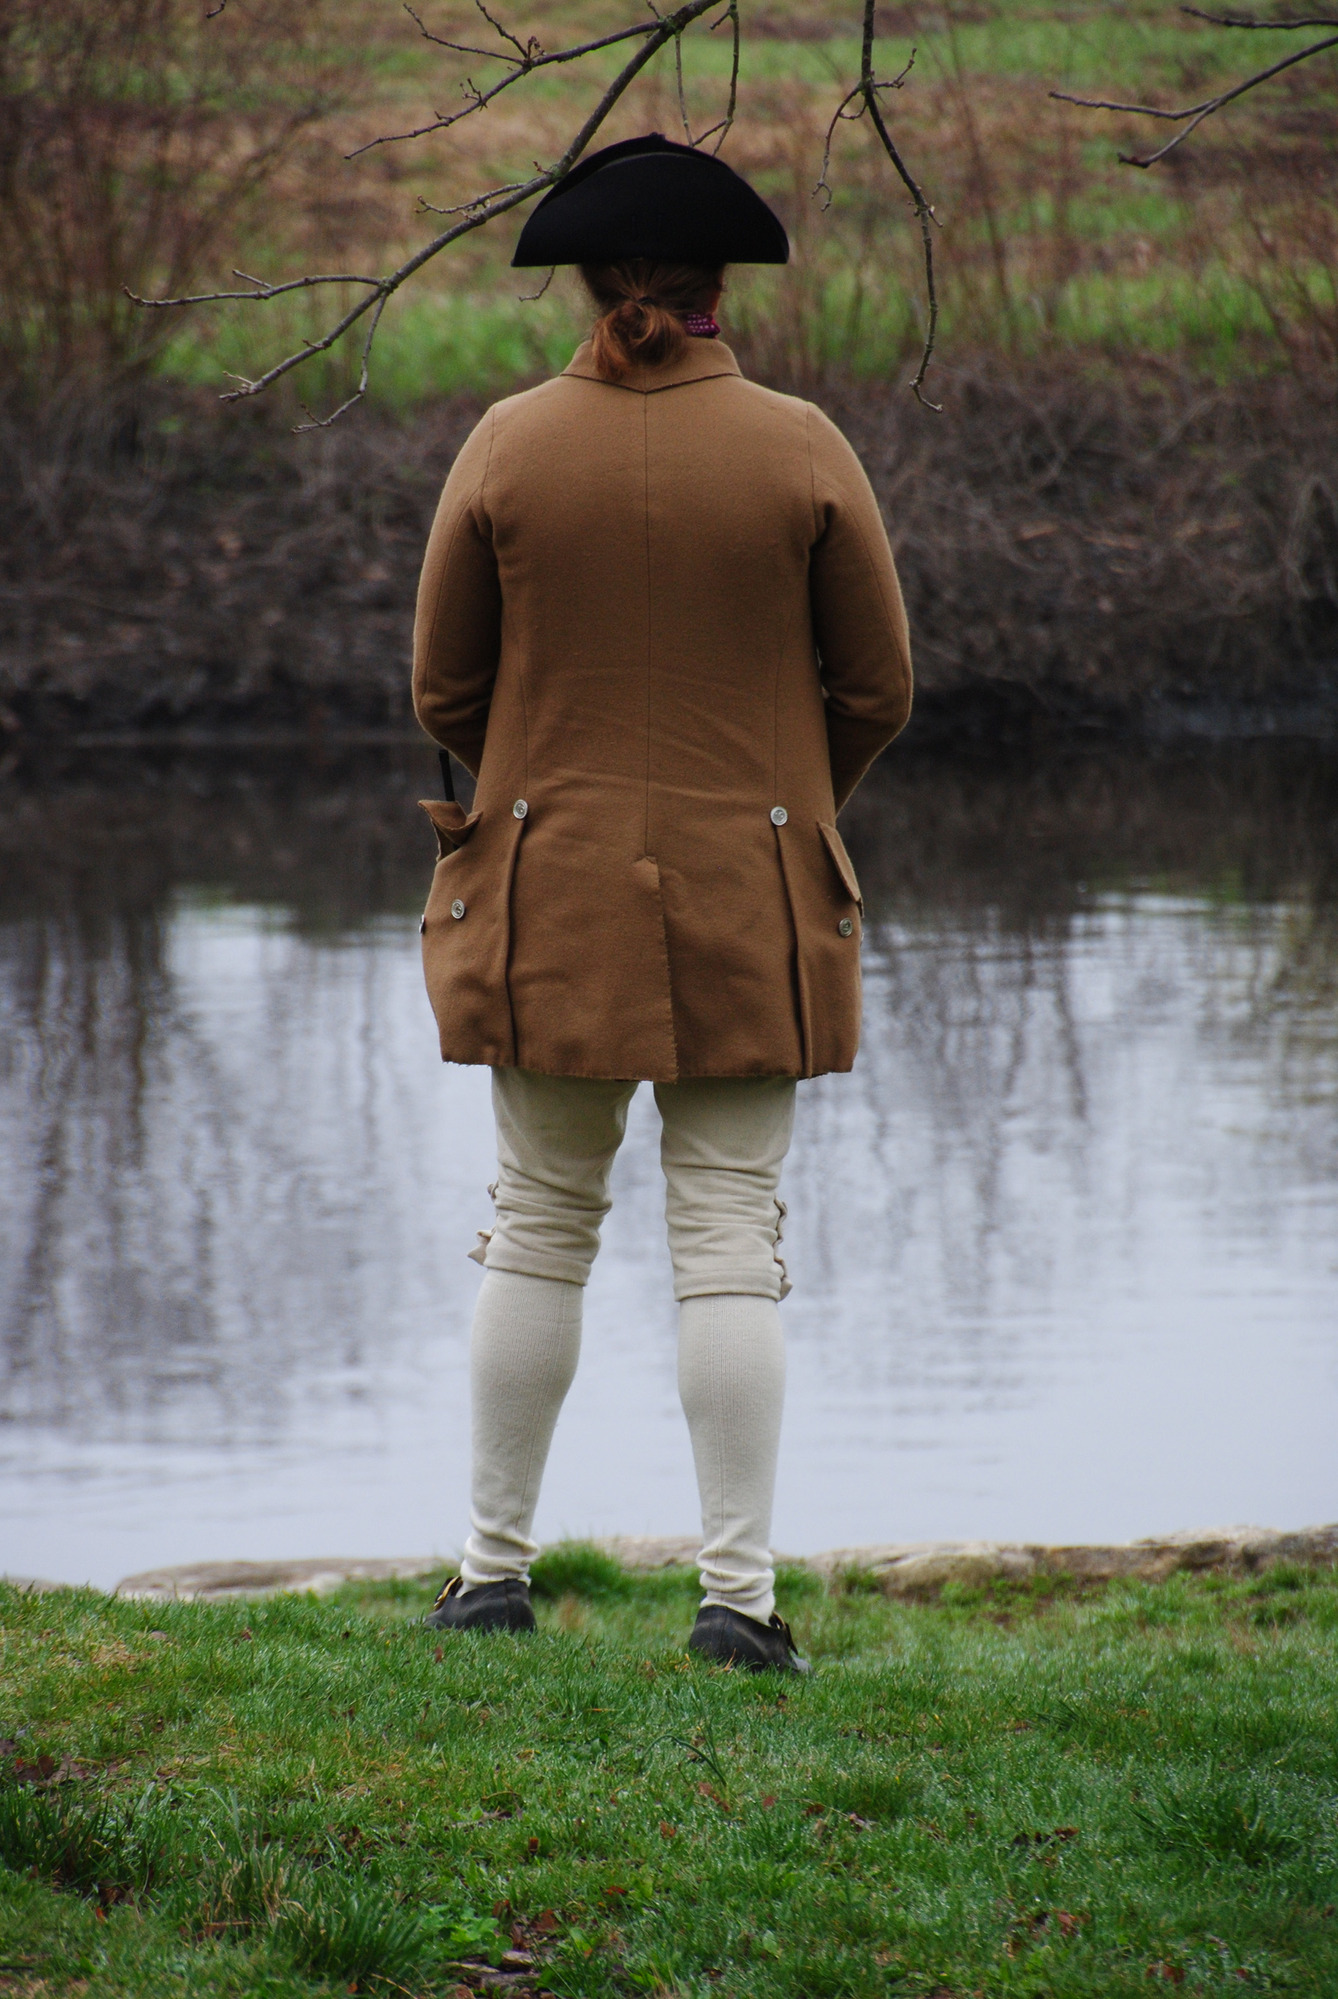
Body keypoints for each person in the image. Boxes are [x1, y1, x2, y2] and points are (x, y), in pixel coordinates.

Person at [412, 133, 912, 1672]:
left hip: (545, 886)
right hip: (746, 895)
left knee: (540, 1226)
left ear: (582, 286)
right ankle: (736, 1606)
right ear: (716, 290)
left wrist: (524, 793)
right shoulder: (801, 445)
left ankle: (490, 1579)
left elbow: (442, 685)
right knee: (729, 1241)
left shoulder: (504, 443)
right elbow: (879, 689)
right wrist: (781, 805)